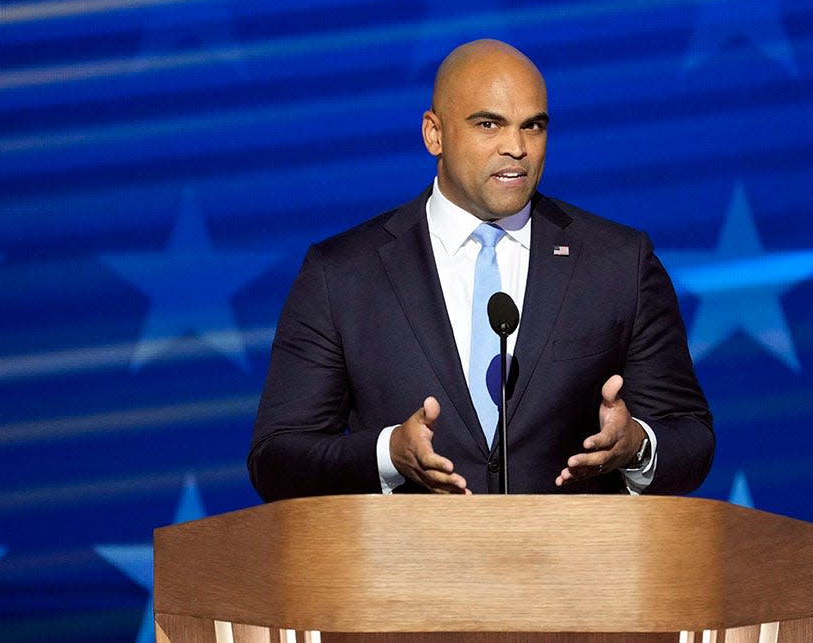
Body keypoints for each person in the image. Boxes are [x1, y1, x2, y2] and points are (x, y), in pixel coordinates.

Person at [249, 39, 713, 499]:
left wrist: (636, 448)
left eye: (533, 126)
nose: (517, 147)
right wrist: (389, 453)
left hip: (572, 567)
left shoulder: (617, 262)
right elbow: (277, 460)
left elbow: (690, 437)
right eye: (489, 124)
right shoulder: (343, 274)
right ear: (434, 134)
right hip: (412, 568)